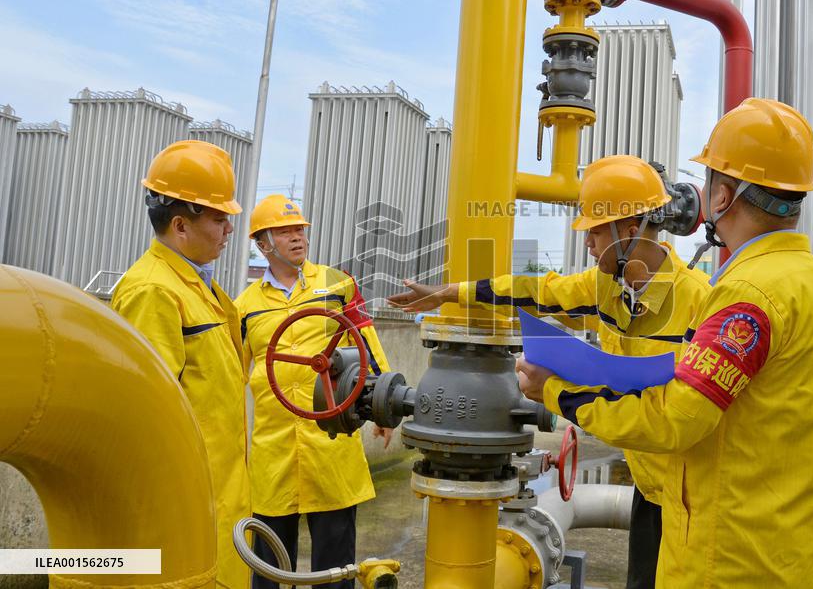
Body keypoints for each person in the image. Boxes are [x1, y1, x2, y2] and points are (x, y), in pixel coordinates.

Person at [516, 98, 813, 588]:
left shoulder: (747, 294)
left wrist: (553, 391)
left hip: (726, 562)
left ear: (721, 196)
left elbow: (673, 421)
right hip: (795, 560)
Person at [388, 155, 710, 588]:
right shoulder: (606, 288)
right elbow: (538, 292)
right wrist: (452, 293)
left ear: (630, 231)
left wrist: (554, 390)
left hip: (694, 500)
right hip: (650, 491)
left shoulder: (699, 302)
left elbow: (681, 415)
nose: (588, 242)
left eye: (596, 231)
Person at [112, 139, 252, 588]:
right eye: (219, 218)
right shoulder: (153, 292)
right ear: (180, 225)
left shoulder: (194, 283)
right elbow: (147, 417)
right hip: (188, 506)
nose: (229, 228)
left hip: (218, 493)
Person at [235, 194, 393, 589]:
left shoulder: (337, 285)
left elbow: (366, 342)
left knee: (336, 567)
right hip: (273, 449)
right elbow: (233, 375)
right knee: (269, 564)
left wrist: (383, 407)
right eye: (285, 231)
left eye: (300, 230)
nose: (297, 237)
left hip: (330, 442)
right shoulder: (245, 307)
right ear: (262, 244)